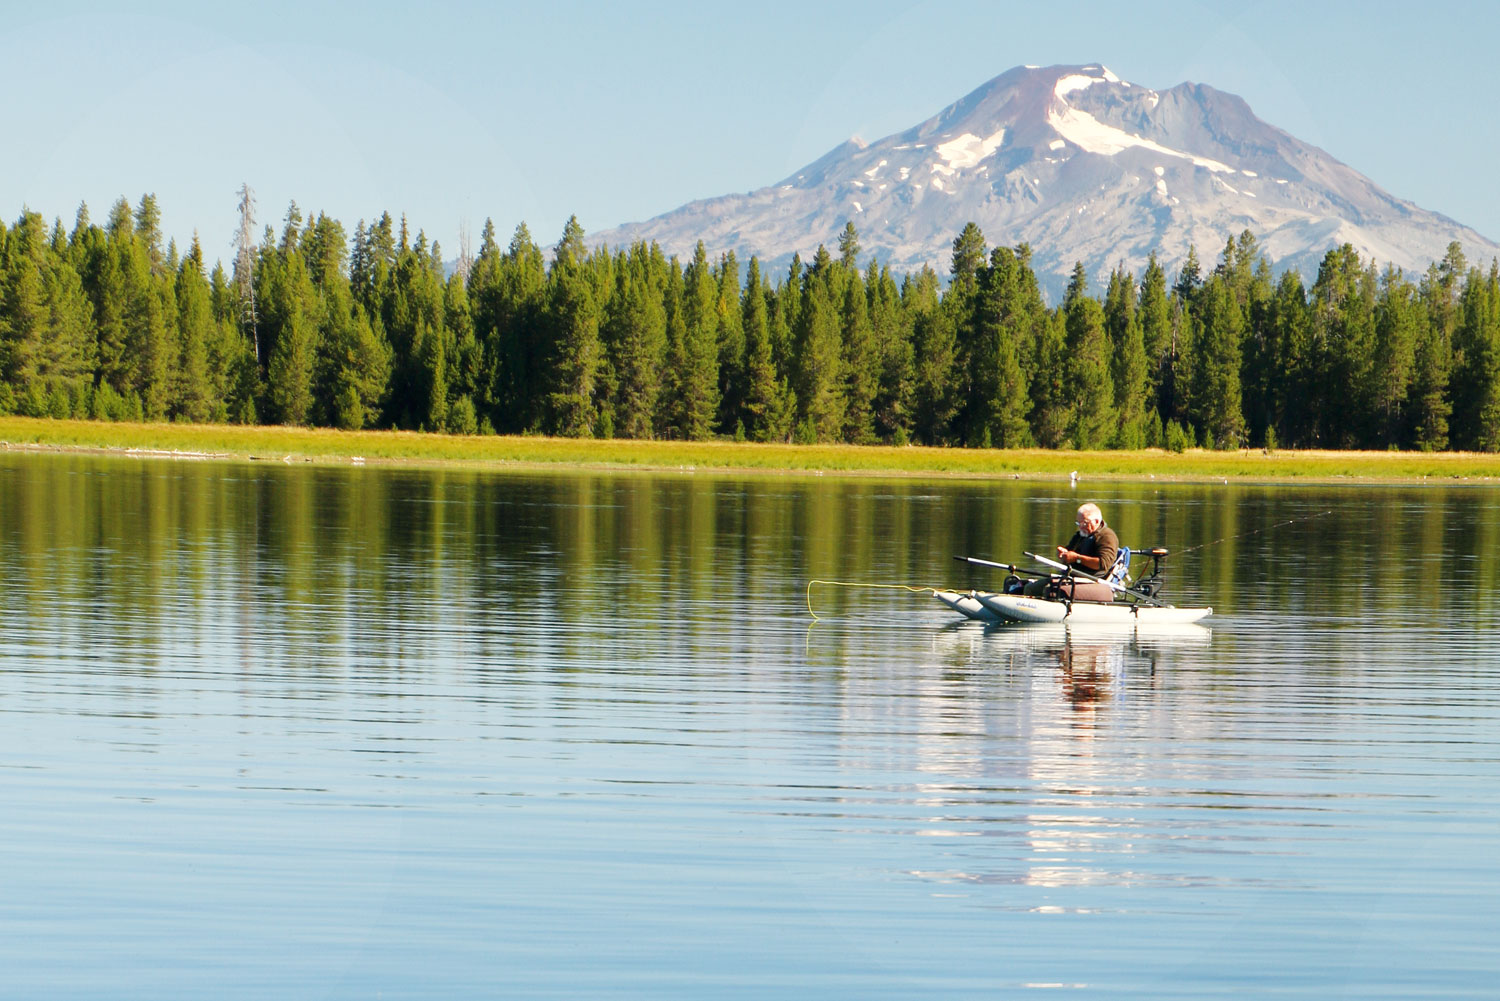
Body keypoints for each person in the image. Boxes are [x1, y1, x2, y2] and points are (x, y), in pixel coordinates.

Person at [1023, 502, 1120, 601]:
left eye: (1084, 523)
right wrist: (1063, 554)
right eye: (1078, 523)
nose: (1081, 526)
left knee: (1050, 590)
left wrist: (1077, 558)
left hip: (1092, 582)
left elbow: (1103, 564)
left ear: (1096, 521)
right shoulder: (1080, 535)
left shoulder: (1107, 537)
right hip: (1072, 577)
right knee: (1029, 587)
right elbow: (1070, 552)